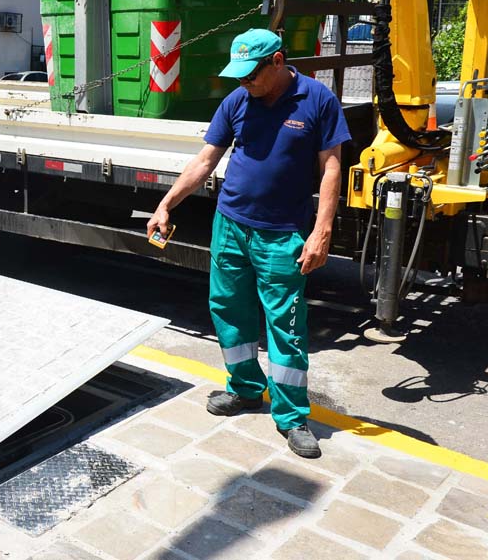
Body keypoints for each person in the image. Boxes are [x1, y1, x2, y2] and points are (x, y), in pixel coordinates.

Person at [146, 29, 350, 459]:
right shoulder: (238, 101)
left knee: (286, 327)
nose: (244, 83)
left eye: (250, 75)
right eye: (238, 76)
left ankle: (292, 415)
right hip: (231, 226)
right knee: (229, 312)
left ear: (277, 61)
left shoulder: (316, 100)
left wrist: (322, 231)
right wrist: (166, 204)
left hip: (282, 235)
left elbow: (332, 167)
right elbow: (205, 161)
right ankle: (244, 388)